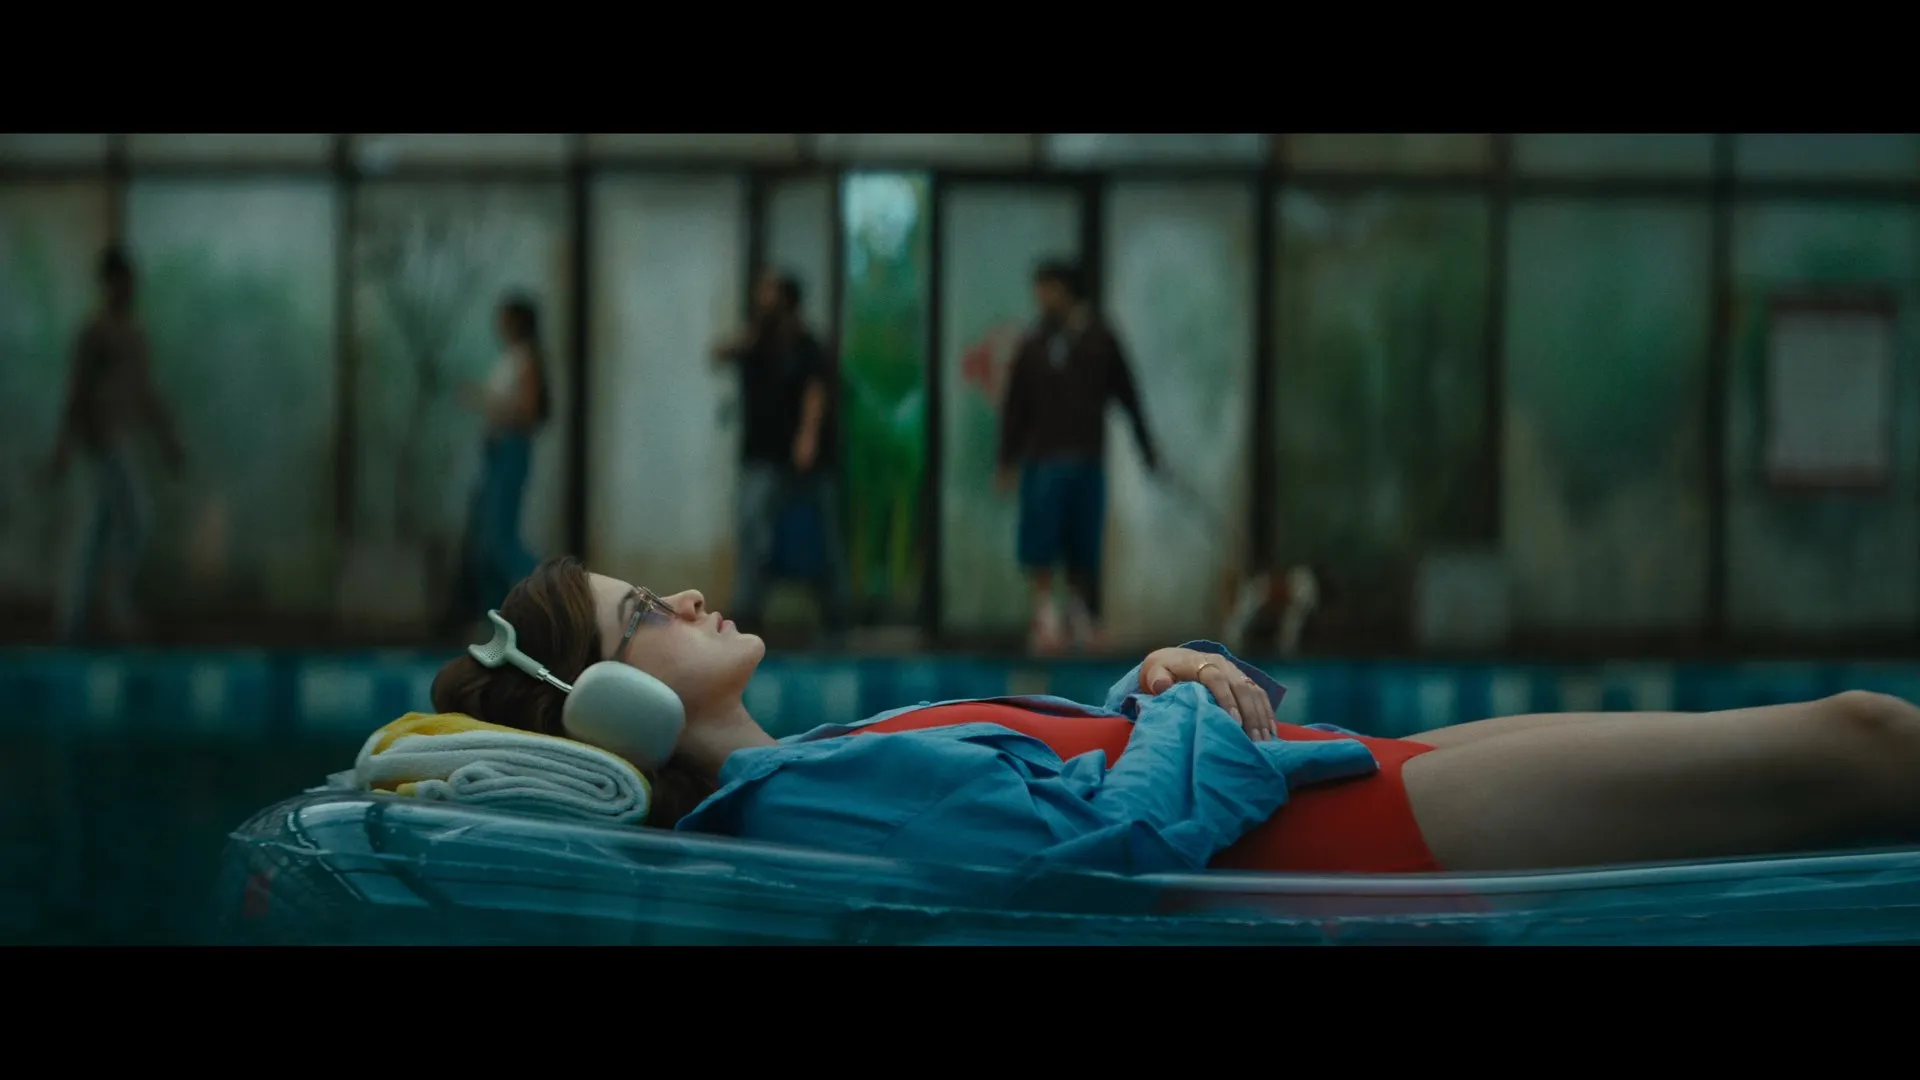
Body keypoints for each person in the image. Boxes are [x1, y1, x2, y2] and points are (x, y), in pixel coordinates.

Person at [431, 556, 1920, 876]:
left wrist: (1156, 678)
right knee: (1863, 740)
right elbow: (1120, 850)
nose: (689, 594)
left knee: (1868, 742)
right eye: (647, 610)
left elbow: (1080, 780)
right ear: (617, 702)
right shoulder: (802, 804)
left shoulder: (819, 762)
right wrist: (1187, 691)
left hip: (1347, 787)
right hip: (1358, 842)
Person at [997, 259, 1158, 655]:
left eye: (1047, 289)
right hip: (1044, 457)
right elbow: (1015, 407)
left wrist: (1147, 448)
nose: (1041, 299)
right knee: (1041, 537)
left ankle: (1076, 612)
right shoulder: (1034, 344)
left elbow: (1128, 394)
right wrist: (1006, 459)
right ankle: (1044, 614)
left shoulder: (1100, 340)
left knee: (1082, 540)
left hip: (1087, 456)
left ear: (1065, 290)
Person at [48, 245, 185, 643]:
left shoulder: (134, 335)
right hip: (102, 441)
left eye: (130, 281)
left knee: (99, 528)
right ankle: (112, 608)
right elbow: (77, 391)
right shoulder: (95, 333)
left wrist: (168, 437)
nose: (127, 288)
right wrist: (64, 444)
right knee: (133, 521)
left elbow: (145, 392)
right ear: (107, 283)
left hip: (120, 439)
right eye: (120, 280)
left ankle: (75, 618)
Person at [712, 269, 849, 644]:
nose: (762, 298)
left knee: (825, 535)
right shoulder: (758, 343)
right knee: (752, 529)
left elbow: (816, 393)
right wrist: (745, 340)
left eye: (769, 291)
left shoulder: (805, 345)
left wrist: (807, 437)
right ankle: (748, 611)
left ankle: (836, 613)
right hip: (762, 455)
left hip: (808, 461)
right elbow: (719, 354)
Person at [454, 292, 551, 619]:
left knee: (500, 539)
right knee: (485, 543)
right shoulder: (510, 358)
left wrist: (486, 401)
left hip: (512, 447)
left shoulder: (525, 360)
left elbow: (528, 412)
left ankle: (556, 590)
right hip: (495, 450)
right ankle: (495, 618)